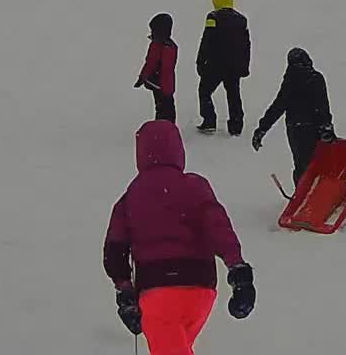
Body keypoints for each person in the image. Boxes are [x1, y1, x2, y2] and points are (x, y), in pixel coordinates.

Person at [103, 121, 257, 353]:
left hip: (156, 292)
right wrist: (236, 267)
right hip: (200, 289)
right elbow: (218, 227)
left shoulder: (131, 196)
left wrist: (124, 291)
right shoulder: (195, 187)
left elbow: (115, 250)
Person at [252, 48, 334, 185]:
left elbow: (277, 107)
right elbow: (322, 105)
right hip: (315, 128)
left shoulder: (290, 81)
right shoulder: (316, 78)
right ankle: (325, 191)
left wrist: (261, 130)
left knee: (302, 165)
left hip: (296, 130)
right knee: (322, 162)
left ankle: (302, 195)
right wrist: (326, 127)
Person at [196, 0, 250, 136]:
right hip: (234, 66)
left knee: (204, 91)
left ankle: (209, 121)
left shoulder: (213, 17)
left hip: (215, 64)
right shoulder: (241, 20)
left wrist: (200, 61)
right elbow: (246, 44)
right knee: (234, 94)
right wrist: (244, 65)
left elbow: (207, 39)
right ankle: (236, 125)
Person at [135, 13, 177, 122]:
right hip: (161, 85)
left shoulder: (163, 47)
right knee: (164, 108)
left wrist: (145, 78)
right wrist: (142, 77)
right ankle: (165, 129)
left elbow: (156, 65)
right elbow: (150, 63)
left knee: (164, 109)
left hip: (162, 85)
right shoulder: (165, 45)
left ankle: (165, 130)